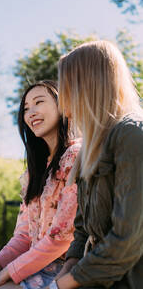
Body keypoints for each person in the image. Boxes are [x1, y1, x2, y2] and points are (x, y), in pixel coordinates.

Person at [0, 80, 81, 289]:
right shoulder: (34, 173)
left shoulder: (75, 157)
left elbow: (61, 237)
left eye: (39, 102)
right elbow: (24, 235)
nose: (31, 113)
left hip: (68, 270)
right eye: (26, 108)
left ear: (62, 105)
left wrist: (5, 275)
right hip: (36, 266)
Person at [52, 40, 143, 289]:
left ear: (88, 88)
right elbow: (82, 230)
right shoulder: (89, 150)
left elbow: (127, 241)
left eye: (68, 91)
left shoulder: (132, 136)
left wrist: (62, 285)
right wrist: (67, 271)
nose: (64, 110)